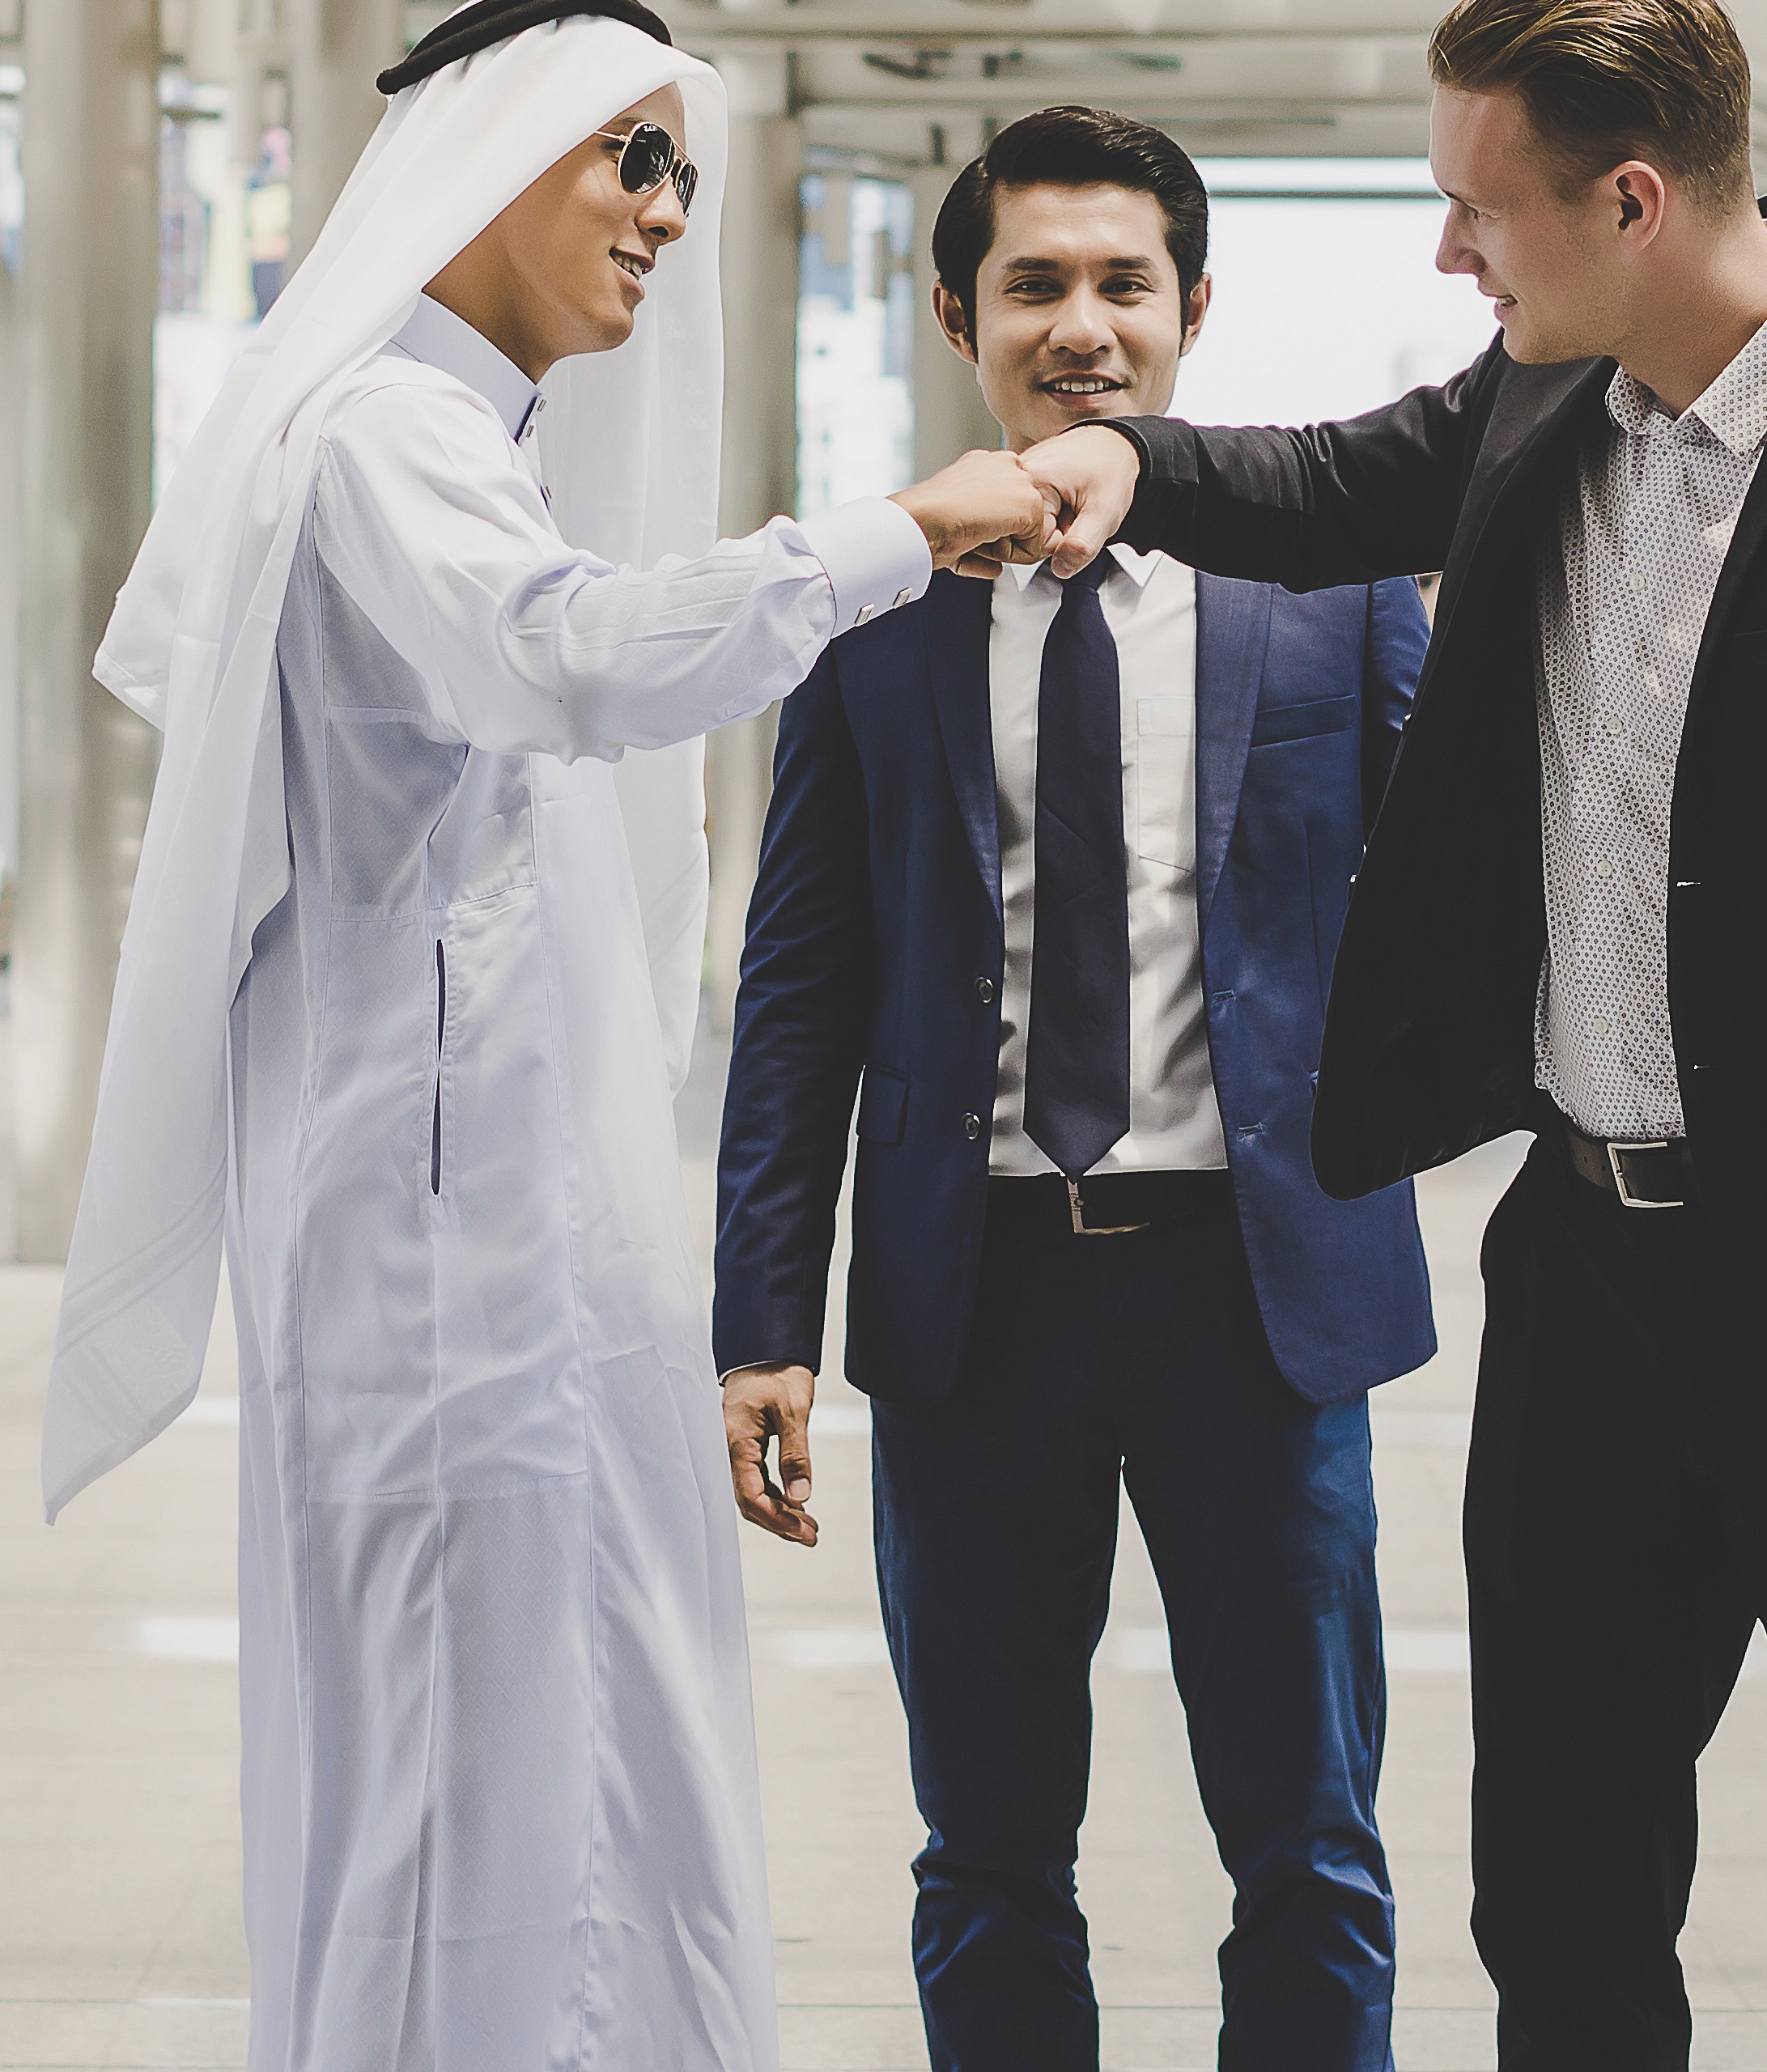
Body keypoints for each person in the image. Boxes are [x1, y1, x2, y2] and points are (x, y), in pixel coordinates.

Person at [1017, 0, 1767, 2072]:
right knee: (1558, 1884)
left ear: (1631, 201)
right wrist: (1126, 470)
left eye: (1477, 204)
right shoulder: (1544, 398)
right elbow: (1337, 481)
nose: (1448, 249)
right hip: (1589, 1279)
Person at [38, 0, 1057, 2072]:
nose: (671, 212)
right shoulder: (385, 441)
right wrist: (893, 534)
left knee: (581, 1742)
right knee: (460, 1772)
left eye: (682, 167)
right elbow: (565, 661)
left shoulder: (461, 443)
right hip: (439, 1258)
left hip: (512, 1238)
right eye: (638, 155)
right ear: (496, 161)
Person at [714, 104, 1435, 2070]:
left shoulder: (1335, 584)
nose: (1084, 323)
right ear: (961, 311)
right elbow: (803, 985)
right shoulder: (872, 613)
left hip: (1255, 1296)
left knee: (1309, 1839)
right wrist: (761, 1316)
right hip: (981, 1301)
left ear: (1195, 306)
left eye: (1127, 281)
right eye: (1037, 282)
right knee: (989, 1842)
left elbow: (1463, 881)